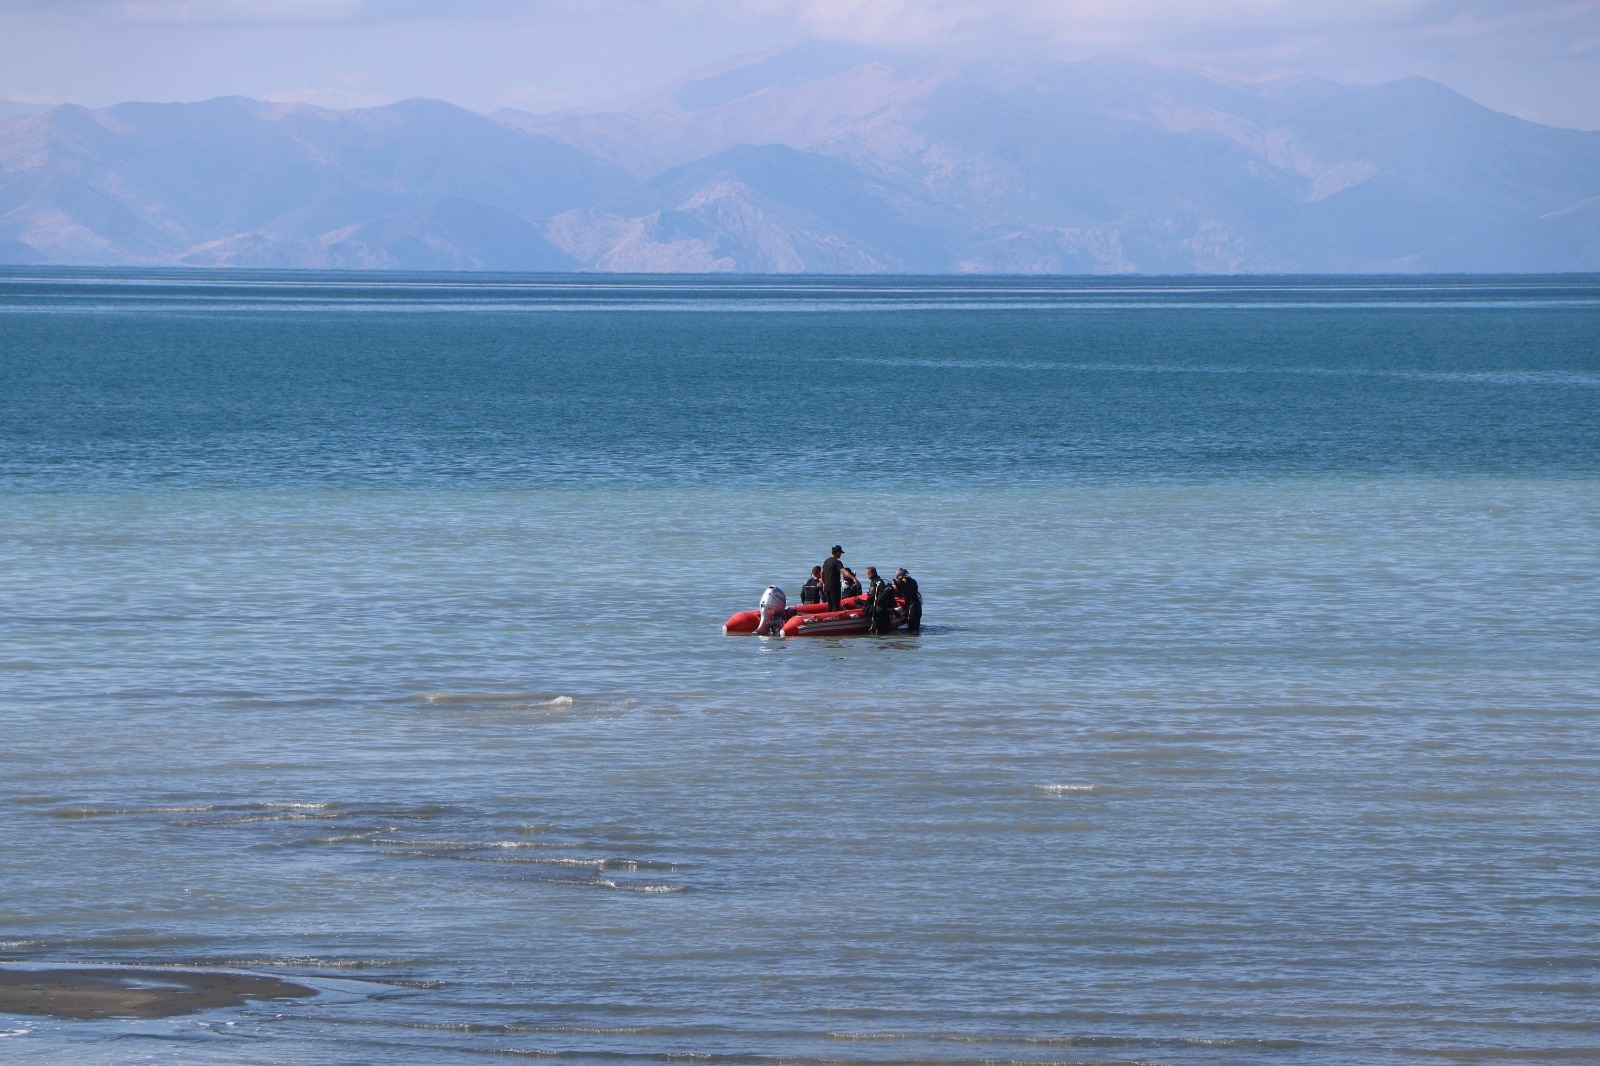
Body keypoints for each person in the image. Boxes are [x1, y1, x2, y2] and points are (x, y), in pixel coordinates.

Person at [863, 566, 895, 634]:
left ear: (873, 573)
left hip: (878, 608)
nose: (867, 576)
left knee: (880, 628)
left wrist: (865, 605)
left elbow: (872, 596)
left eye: (868, 574)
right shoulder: (878, 581)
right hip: (880, 606)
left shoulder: (876, 582)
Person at [893, 567, 922, 634]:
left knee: (911, 630)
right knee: (916, 629)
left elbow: (897, 588)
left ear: (899, 576)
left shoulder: (902, 582)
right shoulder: (913, 581)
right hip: (917, 606)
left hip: (911, 607)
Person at [820, 545, 845, 611]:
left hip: (827, 586)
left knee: (829, 605)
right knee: (835, 606)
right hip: (834, 587)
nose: (841, 554)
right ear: (837, 552)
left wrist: (824, 582)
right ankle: (834, 619)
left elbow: (821, 572)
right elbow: (843, 571)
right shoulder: (837, 562)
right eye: (840, 553)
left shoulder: (826, 561)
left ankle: (826, 618)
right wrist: (853, 578)